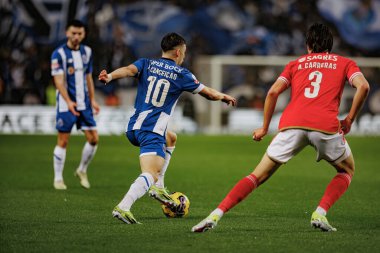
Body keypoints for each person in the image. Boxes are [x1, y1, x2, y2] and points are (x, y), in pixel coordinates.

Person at [192, 23, 370, 233]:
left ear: (308, 45)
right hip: (325, 126)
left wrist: (264, 128)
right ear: (330, 45)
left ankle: (215, 214)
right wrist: (349, 119)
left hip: (292, 124)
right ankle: (320, 213)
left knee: (256, 176)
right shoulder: (344, 62)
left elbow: (272, 93)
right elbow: (364, 86)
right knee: (346, 170)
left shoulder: (296, 64)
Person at [98, 32, 236, 224]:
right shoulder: (181, 74)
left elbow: (128, 70)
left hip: (134, 127)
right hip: (151, 131)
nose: (184, 56)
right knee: (149, 174)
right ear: (178, 52)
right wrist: (223, 96)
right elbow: (209, 94)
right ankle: (124, 206)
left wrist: (110, 76)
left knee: (171, 137)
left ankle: (159, 187)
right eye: (185, 52)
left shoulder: (146, 63)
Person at [51, 20, 100, 190]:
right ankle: (58, 179)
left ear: (84, 34)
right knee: (63, 141)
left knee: (94, 139)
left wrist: (92, 100)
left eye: (80, 33)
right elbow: (58, 82)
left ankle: (81, 170)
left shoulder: (87, 52)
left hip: (84, 103)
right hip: (66, 104)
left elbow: (88, 78)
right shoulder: (59, 54)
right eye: (73, 33)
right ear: (67, 33)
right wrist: (69, 101)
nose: (76, 36)